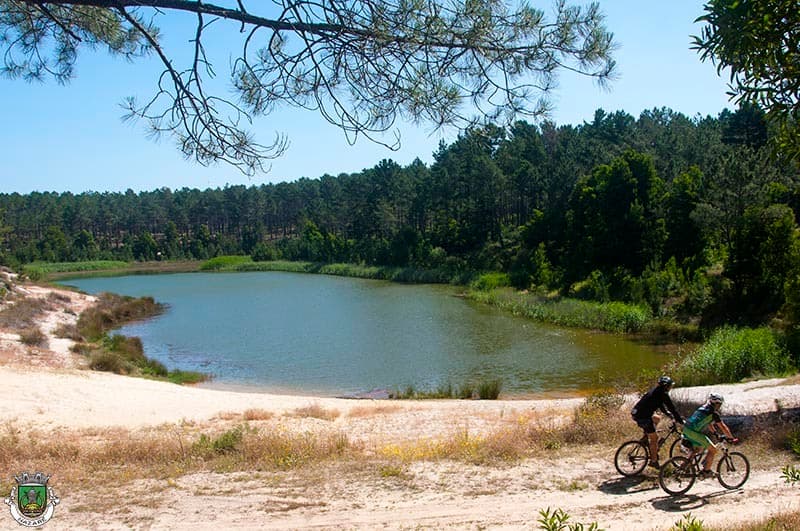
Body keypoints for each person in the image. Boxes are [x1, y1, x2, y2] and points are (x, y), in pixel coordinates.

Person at [631, 375, 684, 469]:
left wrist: (667, 413)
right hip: (643, 417)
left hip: (638, 413)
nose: (670, 388)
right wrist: (680, 421)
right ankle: (653, 461)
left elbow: (660, 404)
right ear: (665, 386)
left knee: (657, 418)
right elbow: (673, 408)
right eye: (670, 386)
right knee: (655, 438)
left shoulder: (656, 391)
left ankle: (645, 438)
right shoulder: (662, 394)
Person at [681, 393, 738, 479]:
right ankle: (706, 471)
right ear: (717, 404)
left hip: (686, 429)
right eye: (720, 404)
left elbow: (708, 423)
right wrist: (731, 438)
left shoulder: (703, 408)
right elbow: (723, 427)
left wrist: (715, 433)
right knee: (713, 450)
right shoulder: (713, 413)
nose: (720, 406)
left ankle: (683, 467)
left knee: (697, 449)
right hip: (693, 432)